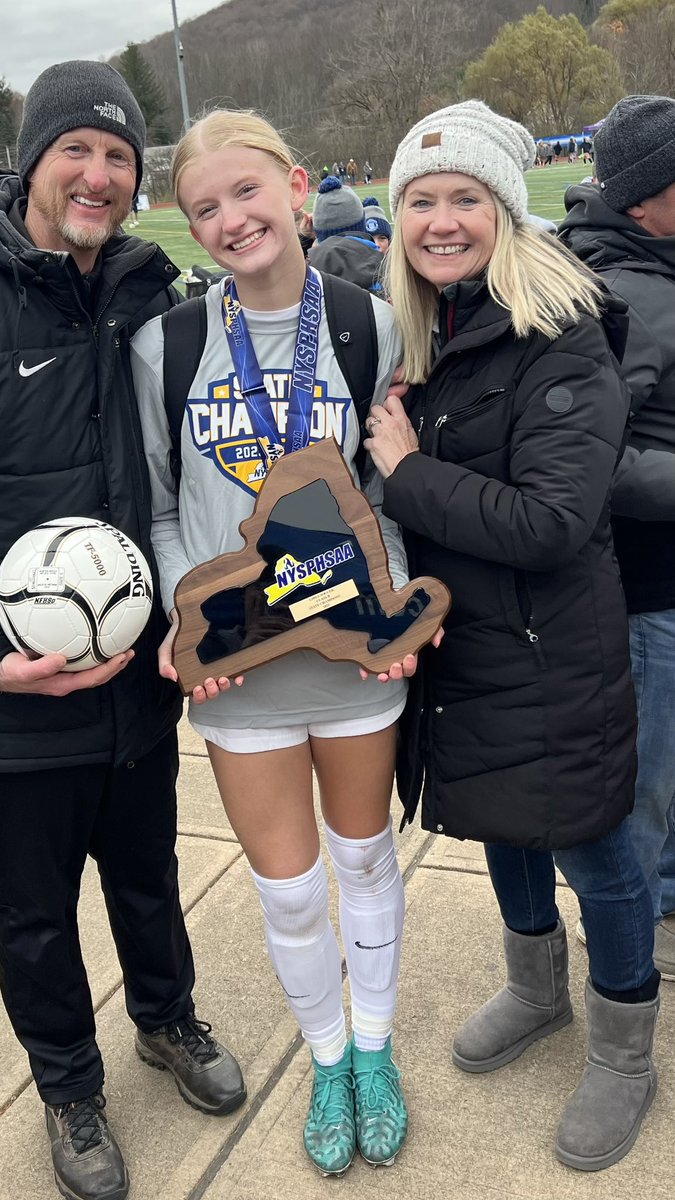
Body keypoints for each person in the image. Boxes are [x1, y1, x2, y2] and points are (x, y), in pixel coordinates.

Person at [0, 61, 244, 1200]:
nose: (100, 174)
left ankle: (167, 1023)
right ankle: (69, 1088)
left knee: (150, 876)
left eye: (120, 156)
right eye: (77, 148)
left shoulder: (144, 293)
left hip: (134, 681)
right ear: (32, 158)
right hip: (13, 689)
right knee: (32, 913)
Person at [364, 99, 659, 1173]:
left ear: (504, 209)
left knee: (594, 844)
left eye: (463, 199)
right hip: (468, 645)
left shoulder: (559, 332)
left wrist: (406, 471)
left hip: (553, 648)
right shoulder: (428, 328)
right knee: (500, 824)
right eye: (420, 202)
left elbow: (551, 520)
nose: (441, 221)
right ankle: (535, 991)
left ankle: (626, 1046)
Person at [131, 109, 418, 1179]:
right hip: (240, 675)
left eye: (247, 193)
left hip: (351, 662)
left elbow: (389, 490)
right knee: (291, 892)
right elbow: (161, 510)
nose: (231, 219)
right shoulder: (165, 346)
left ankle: (377, 1054)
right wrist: (193, 614)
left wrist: (384, 607)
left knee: (364, 862)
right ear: (190, 225)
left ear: (296, 187)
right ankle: (327, 1055)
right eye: (205, 208)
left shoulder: (369, 323)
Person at [560, 94, 675, 982]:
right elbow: (593, 455)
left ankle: (656, 897)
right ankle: (626, 941)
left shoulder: (649, 263)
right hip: (649, 589)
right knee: (644, 785)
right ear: (643, 199)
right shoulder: (631, 289)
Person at [308, 176, 383, 293]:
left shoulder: (308, 275)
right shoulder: (386, 269)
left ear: (317, 232)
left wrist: (304, 240)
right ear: (362, 225)